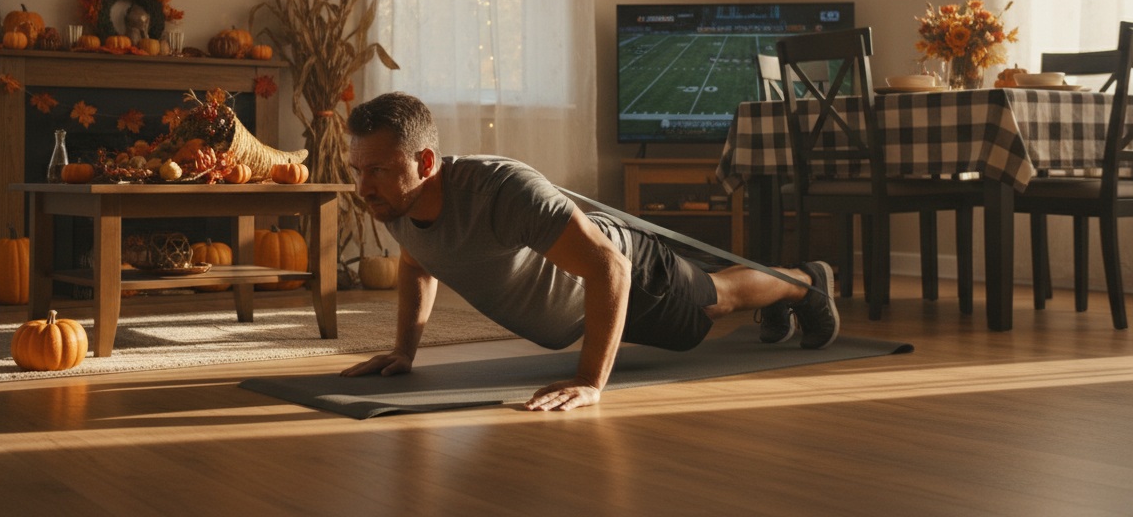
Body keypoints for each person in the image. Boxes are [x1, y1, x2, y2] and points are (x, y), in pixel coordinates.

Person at [340, 92, 839, 412]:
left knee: (716, 299)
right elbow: (416, 261)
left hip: (629, 272)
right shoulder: (394, 203)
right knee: (712, 292)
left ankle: (806, 281)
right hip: (587, 302)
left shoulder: (502, 192)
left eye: (377, 169)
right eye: (357, 169)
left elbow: (610, 267)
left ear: (425, 161)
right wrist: (404, 350)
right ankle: (783, 292)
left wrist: (589, 381)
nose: (363, 186)